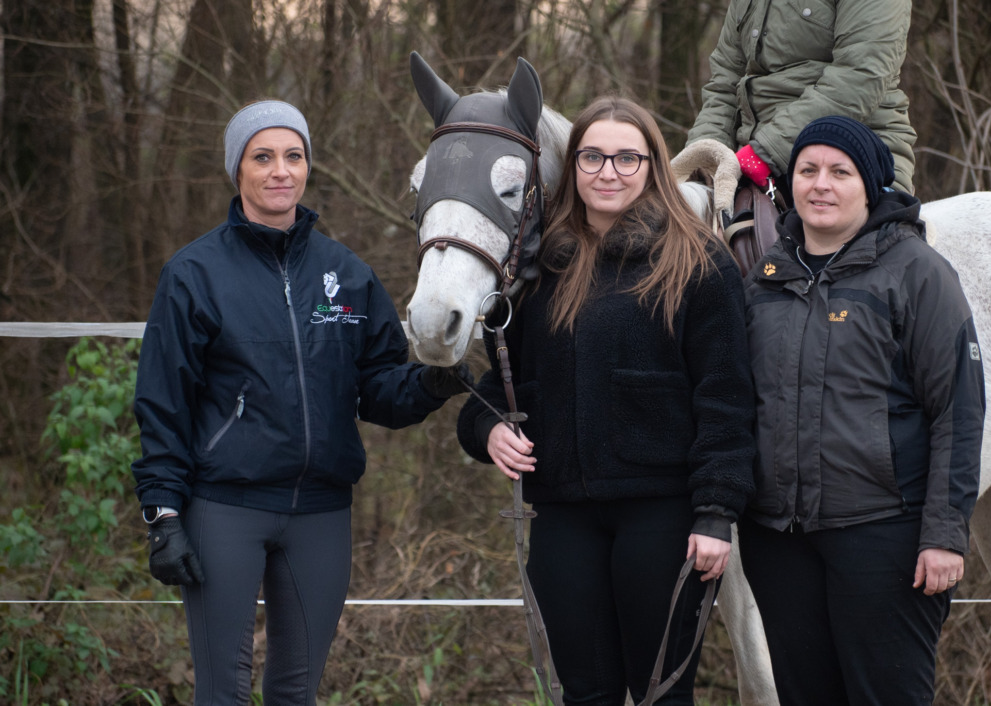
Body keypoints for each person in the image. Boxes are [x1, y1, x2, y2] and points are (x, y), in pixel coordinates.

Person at [131, 99, 471, 705]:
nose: (280, 171)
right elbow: (163, 403)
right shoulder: (193, 274)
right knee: (222, 691)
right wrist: (163, 514)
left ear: (308, 166)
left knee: (297, 690)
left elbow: (380, 392)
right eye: (262, 157)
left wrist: (431, 383)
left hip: (321, 514)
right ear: (238, 169)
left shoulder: (348, 273)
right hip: (224, 508)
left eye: (293, 156)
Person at [456, 96, 756, 704]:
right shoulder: (537, 272)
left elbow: (726, 400)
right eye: (592, 156)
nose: (608, 171)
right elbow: (503, 387)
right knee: (582, 694)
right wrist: (485, 429)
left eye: (626, 157)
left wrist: (716, 513)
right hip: (563, 517)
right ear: (573, 168)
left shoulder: (697, 264)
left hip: (664, 518)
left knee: (659, 693)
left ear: (651, 165)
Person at [738, 115, 985, 705]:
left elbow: (959, 408)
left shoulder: (917, 272)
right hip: (779, 541)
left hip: (885, 538)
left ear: (870, 184)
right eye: (807, 170)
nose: (821, 184)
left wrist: (945, 535)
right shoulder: (765, 278)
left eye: (839, 172)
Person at [684, 0, 917, 197]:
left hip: (854, 155)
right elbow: (724, 85)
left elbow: (859, 78)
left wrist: (765, 153)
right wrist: (705, 158)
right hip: (748, 160)